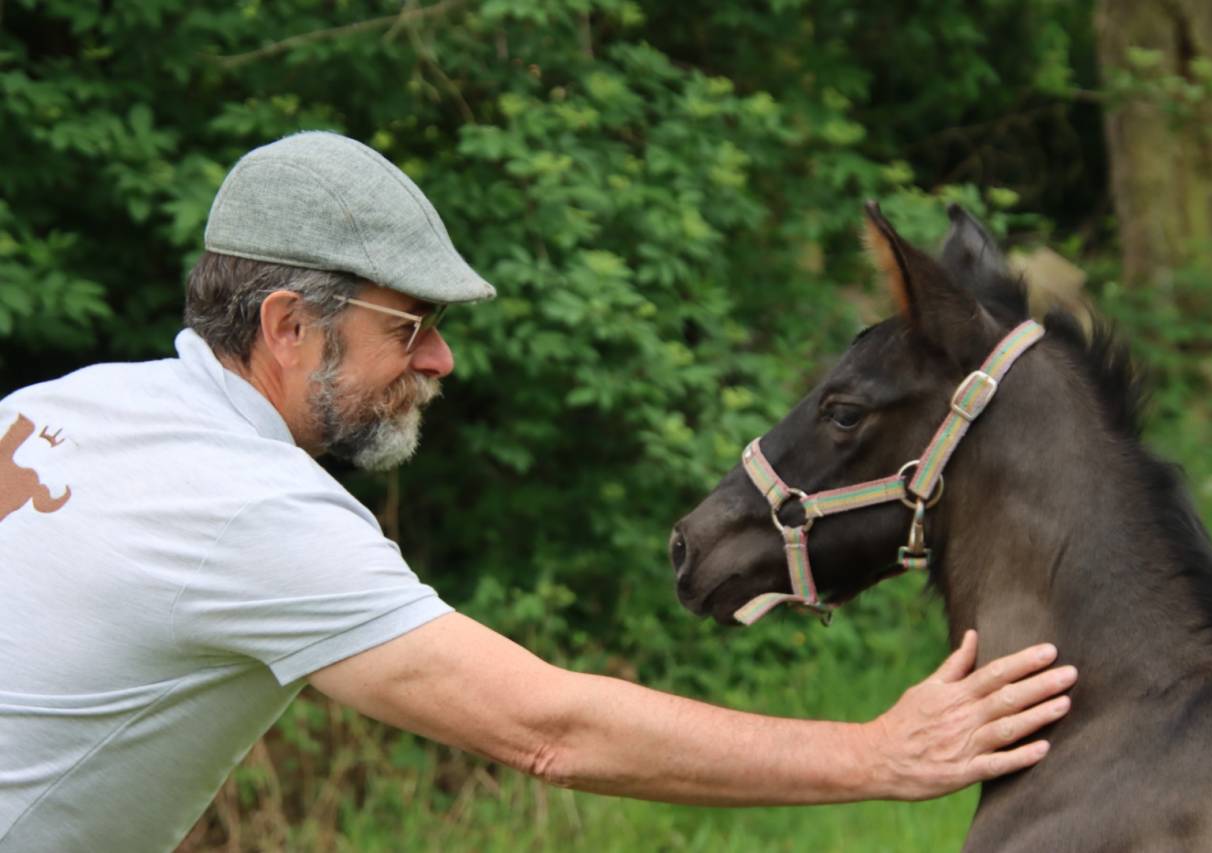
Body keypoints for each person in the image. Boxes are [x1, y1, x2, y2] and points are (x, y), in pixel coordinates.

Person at [0, 132, 1076, 852]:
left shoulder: (72, 403)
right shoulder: (250, 512)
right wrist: (877, 752)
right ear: (287, 326)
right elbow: (546, 729)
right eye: (408, 327)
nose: (441, 362)